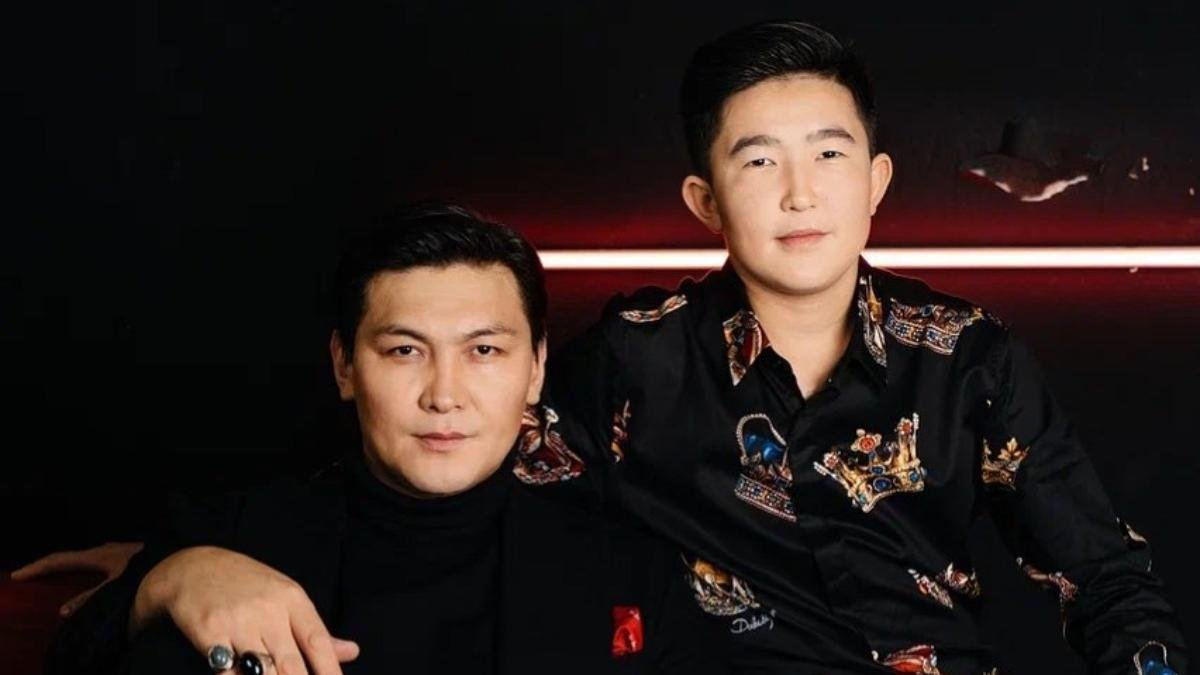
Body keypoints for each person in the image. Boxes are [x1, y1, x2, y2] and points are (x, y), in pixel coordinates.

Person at [27, 19, 1188, 675]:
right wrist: (184, 561)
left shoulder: (971, 358)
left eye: (830, 156)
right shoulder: (634, 358)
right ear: (703, 199)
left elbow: (1109, 581)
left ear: (877, 182)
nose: (800, 193)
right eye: (758, 161)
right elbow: (437, 440)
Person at [41, 204, 725, 675]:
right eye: (404, 351)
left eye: (484, 350)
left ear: (537, 367)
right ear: (345, 365)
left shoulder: (628, 566)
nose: (444, 393)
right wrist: (168, 580)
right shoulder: (242, 540)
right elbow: (76, 651)